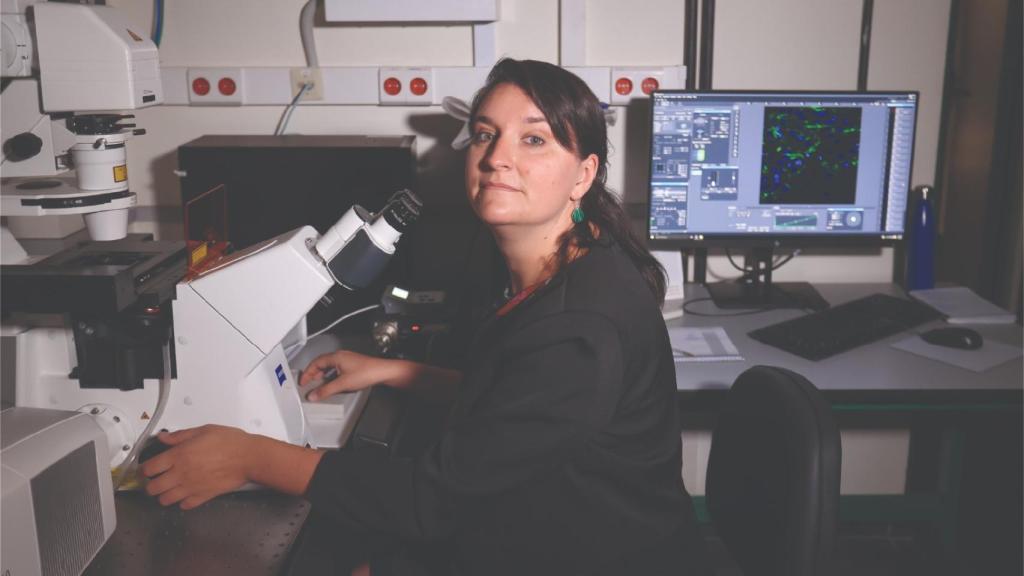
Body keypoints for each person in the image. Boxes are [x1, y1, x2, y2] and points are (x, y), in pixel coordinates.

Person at [141, 58, 710, 575]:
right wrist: (395, 372)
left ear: (583, 175)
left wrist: (252, 456)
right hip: (548, 527)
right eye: (486, 134)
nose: (496, 158)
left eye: (533, 139)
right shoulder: (564, 267)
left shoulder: (580, 324)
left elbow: (431, 499)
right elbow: (516, 408)